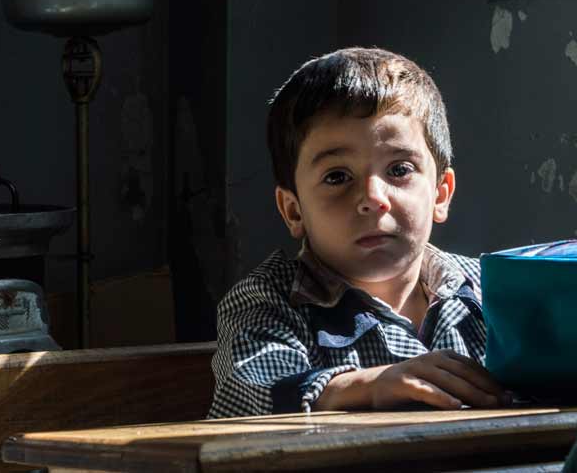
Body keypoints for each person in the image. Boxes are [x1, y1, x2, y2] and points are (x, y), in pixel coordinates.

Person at [209, 47, 509, 418]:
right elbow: (256, 386)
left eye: (399, 170)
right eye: (337, 177)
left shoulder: (492, 291)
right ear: (293, 209)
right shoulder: (267, 301)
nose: (372, 199)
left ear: (440, 194)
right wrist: (367, 386)